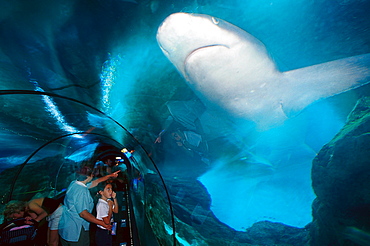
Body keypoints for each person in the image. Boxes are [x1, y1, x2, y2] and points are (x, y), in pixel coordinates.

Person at [58, 166, 119, 246]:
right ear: (88, 176)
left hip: (66, 227)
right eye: (92, 175)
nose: (93, 176)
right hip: (77, 230)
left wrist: (109, 176)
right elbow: (83, 213)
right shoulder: (81, 191)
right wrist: (102, 223)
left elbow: (95, 182)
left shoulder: (74, 183)